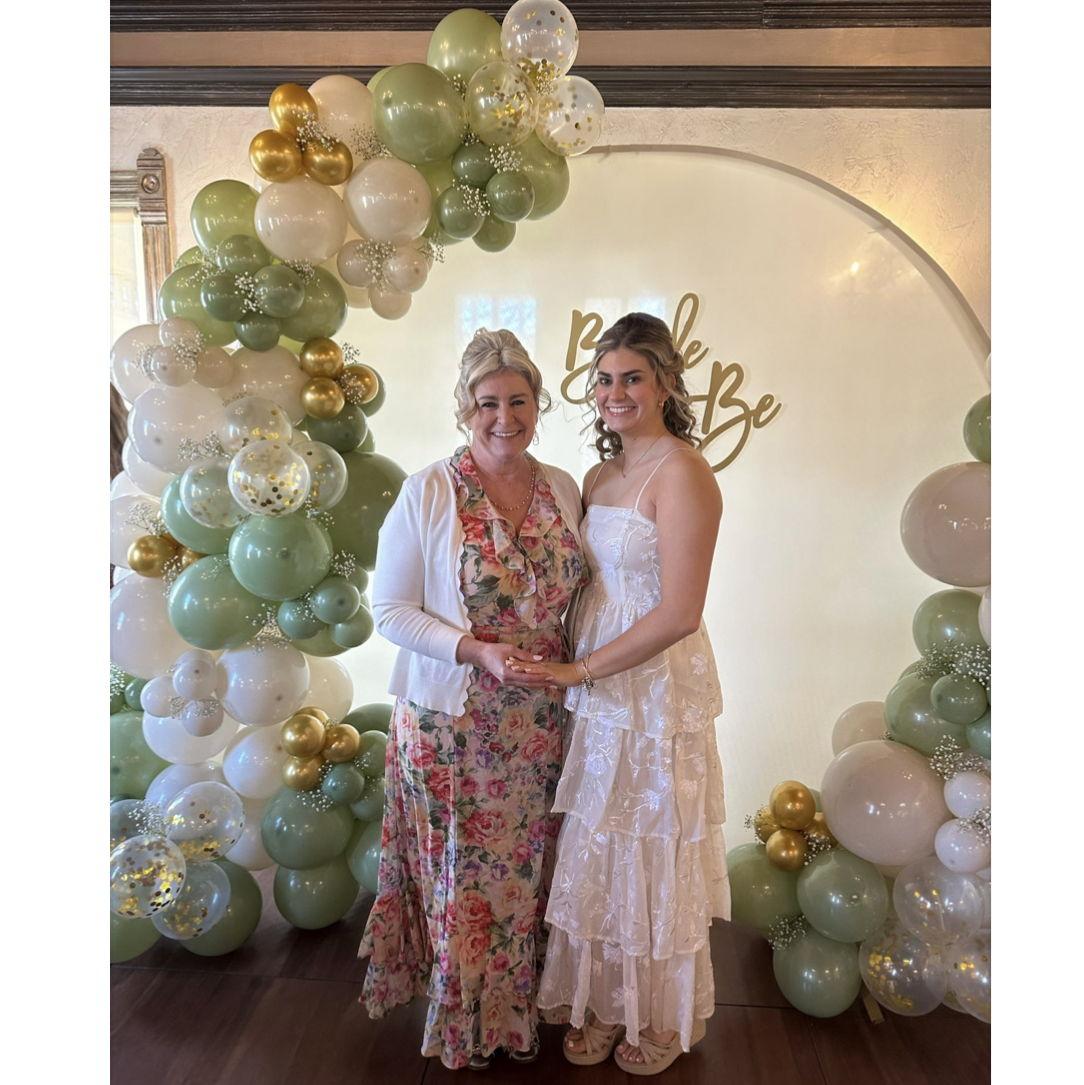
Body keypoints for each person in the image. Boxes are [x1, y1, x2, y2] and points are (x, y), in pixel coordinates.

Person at [357, 329, 589, 1071]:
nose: (504, 417)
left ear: (537, 403)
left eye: (518, 400)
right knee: (466, 875)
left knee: (525, 868)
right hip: (452, 719)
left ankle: (521, 1007)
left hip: (539, 720)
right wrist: (475, 650)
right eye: (488, 402)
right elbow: (390, 610)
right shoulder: (428, 490)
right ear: (465, 407)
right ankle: (467, 1023)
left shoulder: (563, 487)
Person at [520, 312, 731, 1074]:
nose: (615, 392)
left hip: (653, 687)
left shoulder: (684, 472)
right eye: (604, 379)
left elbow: (680, 612)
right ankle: (606, 1001)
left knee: (651, 837)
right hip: (597, 686)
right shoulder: (599, 477)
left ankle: (659, 1012)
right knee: (601, 838)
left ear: (666, 383)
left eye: (632, 377)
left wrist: (583, 670)